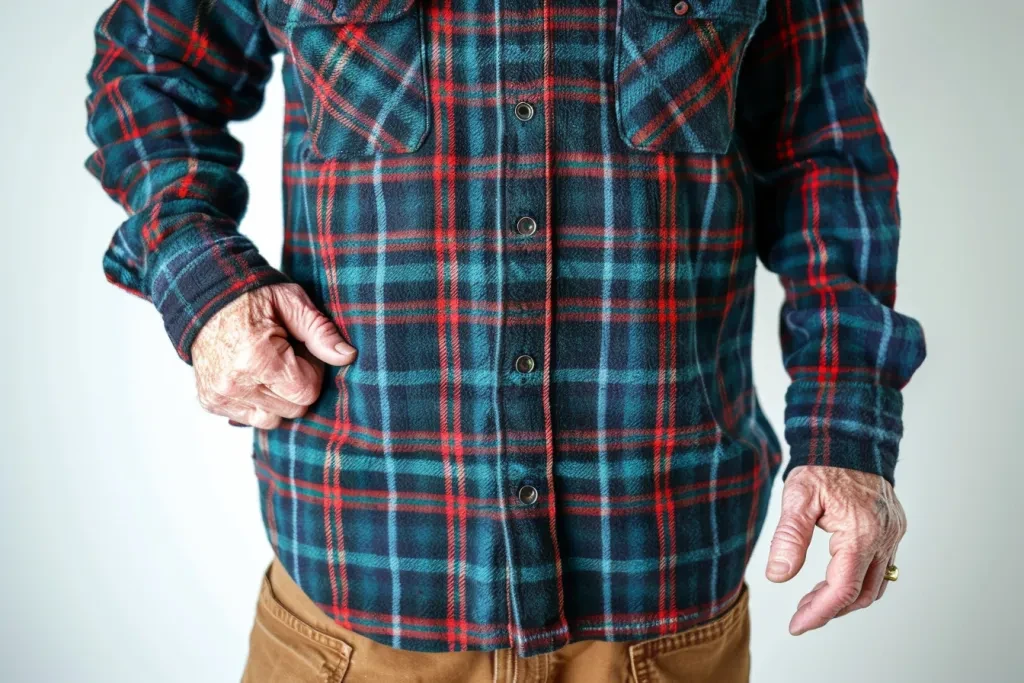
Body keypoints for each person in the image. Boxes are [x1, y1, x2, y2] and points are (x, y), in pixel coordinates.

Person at [83, 0, 926, 679]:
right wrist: (202, 281)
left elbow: (824, 151)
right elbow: (150, 69)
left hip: (655, 612)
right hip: (353, 607)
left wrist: (847, 429)